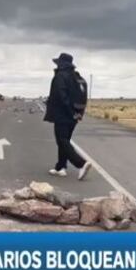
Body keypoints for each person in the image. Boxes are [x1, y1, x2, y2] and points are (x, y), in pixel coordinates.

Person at [43, 52, 92, 180]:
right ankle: (61, 167)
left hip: (63, 114)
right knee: (65, 140)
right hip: (74, 115)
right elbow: (83, 97)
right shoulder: (77, 77)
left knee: (62, 140)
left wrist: (70, 112)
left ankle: (81, 163)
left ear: (61, 64)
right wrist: (78, 114)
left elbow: (61, 96)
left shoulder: (61, 76)